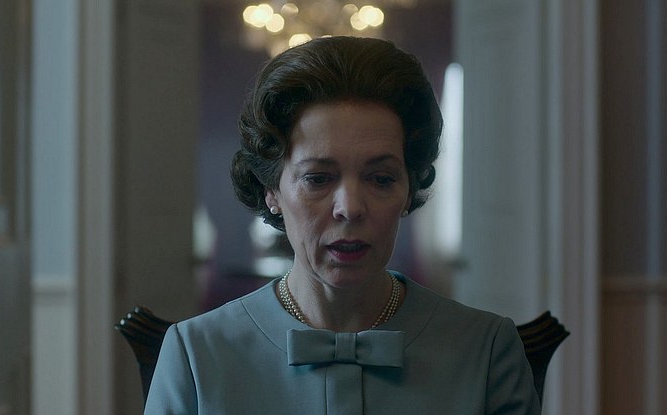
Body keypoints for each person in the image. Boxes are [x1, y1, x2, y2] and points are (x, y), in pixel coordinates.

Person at [145, 36, 540, 414]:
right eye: (318, 178)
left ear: (409, 189)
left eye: (380, 178)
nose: (350, 208)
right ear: (271, 191)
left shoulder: (486, 351)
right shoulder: (195, 353)